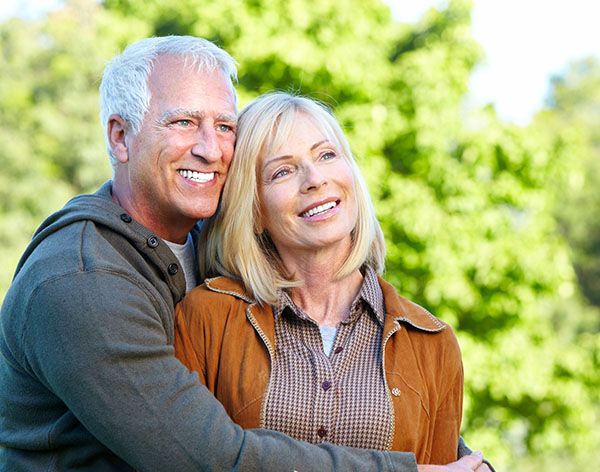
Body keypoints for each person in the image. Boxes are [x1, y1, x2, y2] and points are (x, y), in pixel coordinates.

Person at [0, 35, 489, 472]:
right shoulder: (82, 279)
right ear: (120, 137)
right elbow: (207, 458)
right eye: (184, 122)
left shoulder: (198, 247)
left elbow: (412, 417)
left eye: (224, 125)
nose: (211, 149)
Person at [174, 92, 494, 471]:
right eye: (283, 171)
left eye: (326, 155)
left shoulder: (431, 342)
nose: (315, 179)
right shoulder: (207, 318)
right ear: (254, 211)